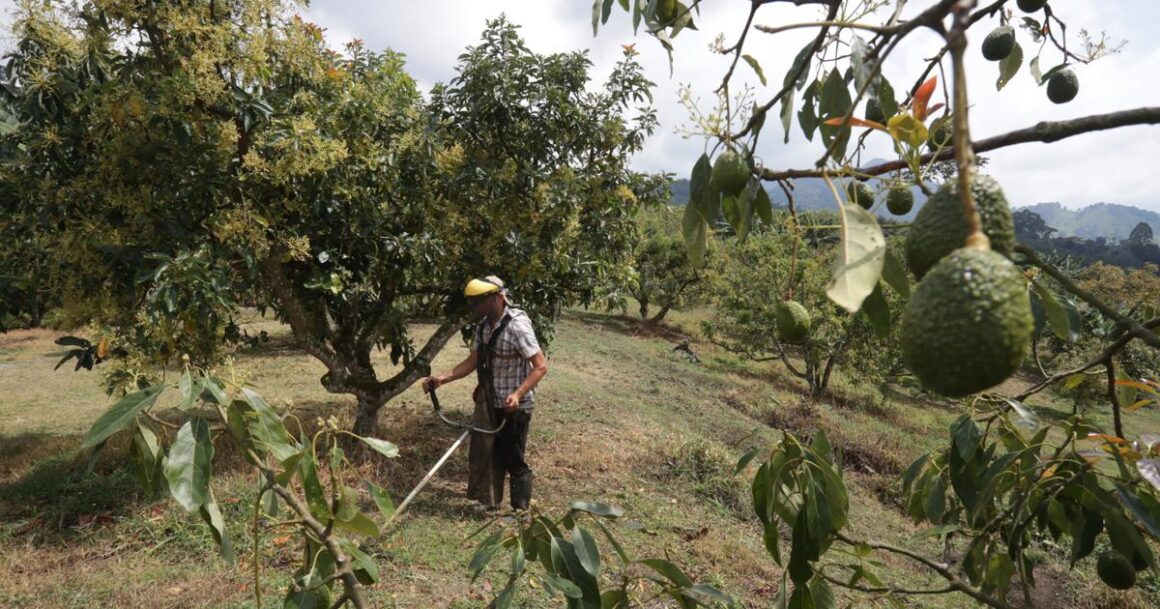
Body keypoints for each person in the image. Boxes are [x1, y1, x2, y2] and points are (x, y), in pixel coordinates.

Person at [422, 276, 548, 511]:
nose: (474, 308)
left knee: (513, 457)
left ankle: (520, 511)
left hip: (515, 405)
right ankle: (492, 503)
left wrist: (518, 394)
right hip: (491, 400)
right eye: (472, 303)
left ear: (498, 298)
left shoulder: (517, 326)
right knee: (490, 453)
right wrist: (441, 379)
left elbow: (540, 366)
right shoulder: (483, 327)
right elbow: (473, 361)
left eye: (478, 302)